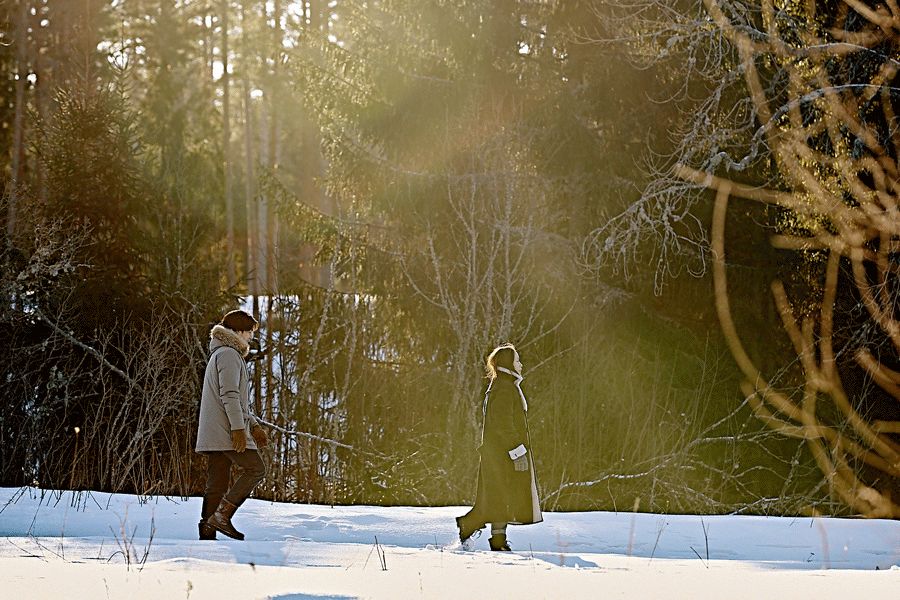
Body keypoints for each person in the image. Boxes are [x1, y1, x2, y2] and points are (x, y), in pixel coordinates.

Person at [456, 343, 542, 551]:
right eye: (517, 360)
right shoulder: (504, 388)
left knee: (499, 496)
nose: (520, 364)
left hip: (498, 454)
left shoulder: (503, 386)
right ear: (508, 364)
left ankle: (498, 541)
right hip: (501, 454)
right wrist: (517, 452)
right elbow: (504, 425)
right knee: (496, 496)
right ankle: (472, 526)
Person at [196, 309, 269, 540]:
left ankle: (207, 531)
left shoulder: (222, 353)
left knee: (217, 480)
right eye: (248, 332)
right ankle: (222, 516)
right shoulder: (228, 354)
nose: (250, 337)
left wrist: (254, 425)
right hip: (226, 430)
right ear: (237, 331)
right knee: (256, 469)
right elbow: (229, 396)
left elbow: (237, 400)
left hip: (218, 430)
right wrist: (239, 429)